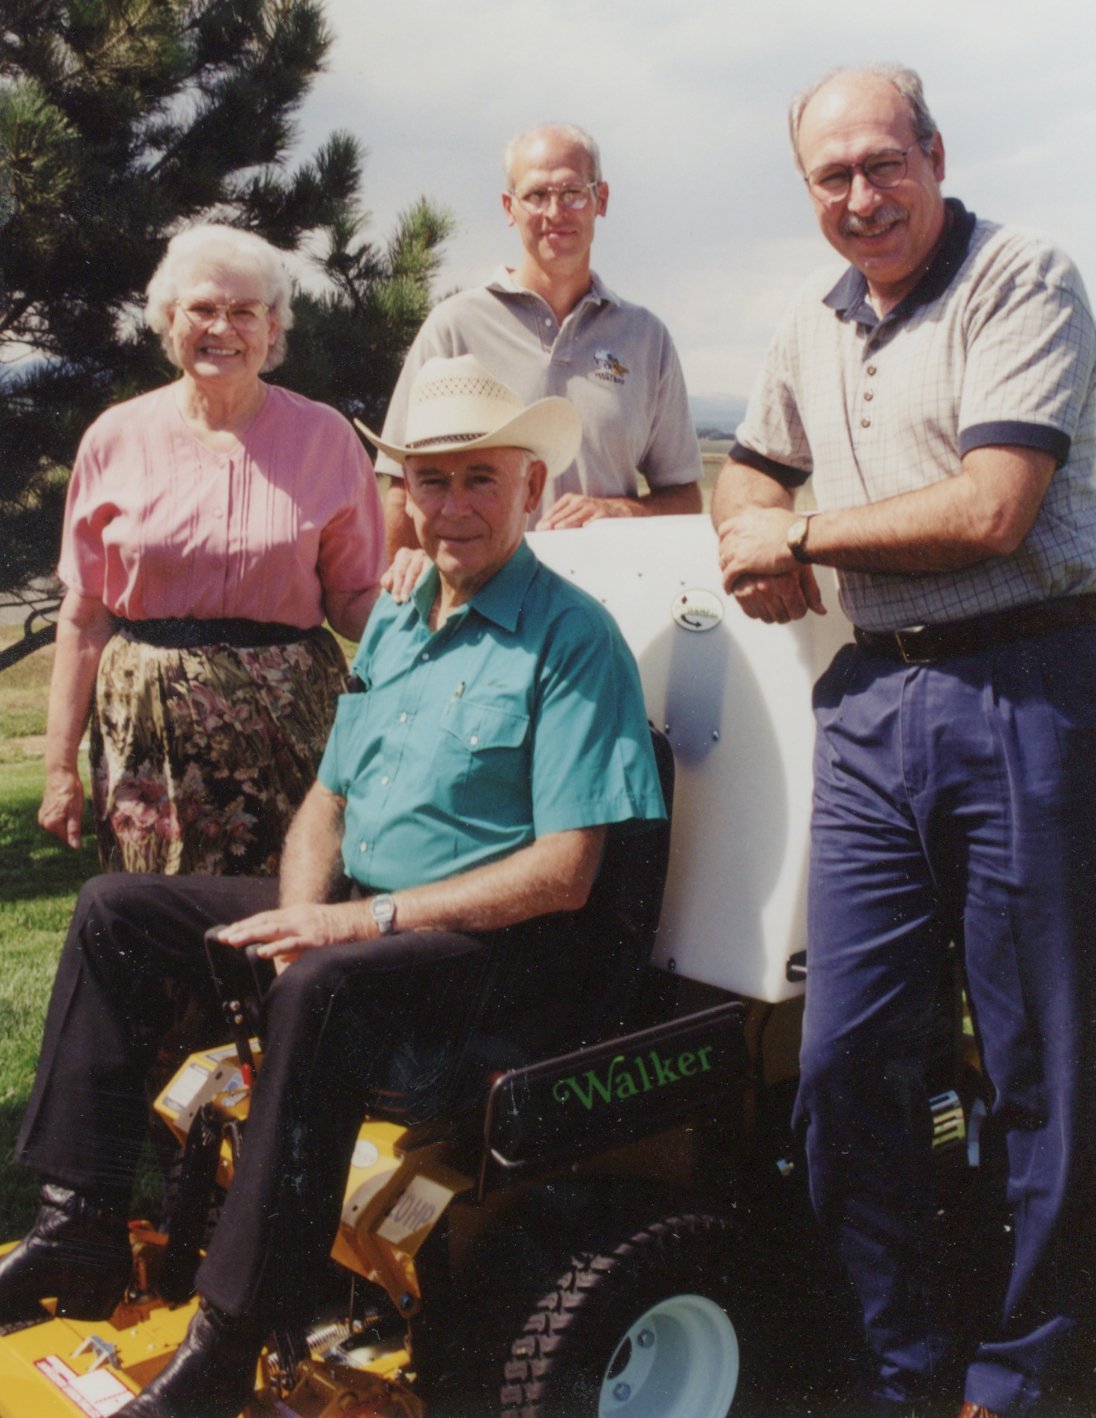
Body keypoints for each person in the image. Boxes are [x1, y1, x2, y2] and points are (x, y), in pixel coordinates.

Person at [0, 355, 666, 1418]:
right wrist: (304, 914)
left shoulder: (572, 640)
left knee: (326, 987)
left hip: (500, 948)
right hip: (369, 915)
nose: (450, 509)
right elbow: (328, 798)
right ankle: (77, 1220)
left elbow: (565, 870)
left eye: (479, 480)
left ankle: (230, 1337)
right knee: (116, 909)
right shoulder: (399, 619)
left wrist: (354, 924)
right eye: (429, 481)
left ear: (531, 489)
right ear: (404, 493)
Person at [713, 64, 1096, 1418]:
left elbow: (995, 506)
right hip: (872, 705)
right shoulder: (812, 322)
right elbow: (749, 468)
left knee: (1043, 1060)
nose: (862, 198)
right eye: (833, 176)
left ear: (934, 153)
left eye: (885, 165)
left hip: (1024, 687)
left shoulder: (1022, 277)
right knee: (843, 1058)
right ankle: (900, 1363)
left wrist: (801, 537)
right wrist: (746, 538)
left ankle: (1024, 1369)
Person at [39, 223, 385, 876]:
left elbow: (354, 598)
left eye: (244, 312)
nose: (221, 328)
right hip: (147, 737)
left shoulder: (326, 438)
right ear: (169, 321)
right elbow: (84, 619)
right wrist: (58, 769)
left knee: (294, 910)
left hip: (291, 731)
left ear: (273, 329)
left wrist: (431, 621)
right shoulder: (113, 438)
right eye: (201, 308)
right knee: (157, 917)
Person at [377, 121, 702, 578]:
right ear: (509, 208)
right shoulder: (455, 326)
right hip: (482, 606)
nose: (555, 211)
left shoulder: (646, 338)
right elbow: (401, 487)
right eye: (535, 196)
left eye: (573, 192)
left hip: (612, 602)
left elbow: (685, 500)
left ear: (601, 200)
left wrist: (622, 513)